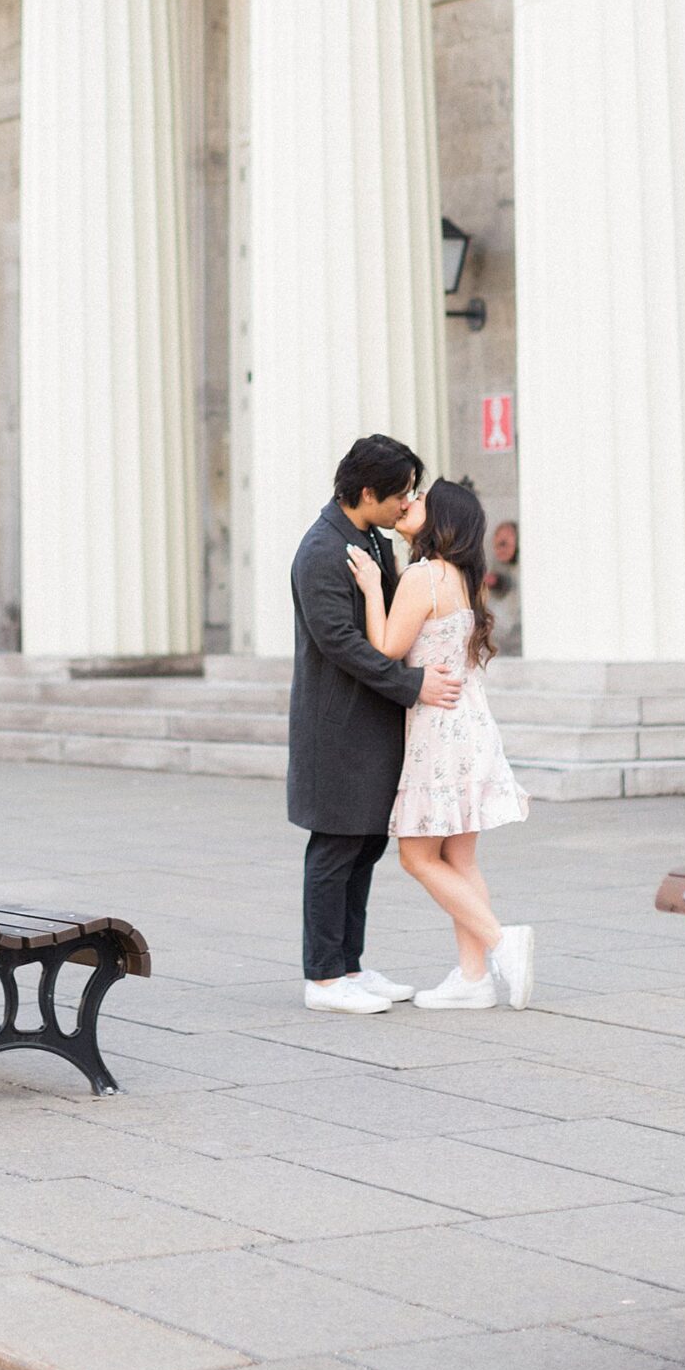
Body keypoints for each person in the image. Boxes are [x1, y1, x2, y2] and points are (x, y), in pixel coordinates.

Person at [288, 435, 462, 1016]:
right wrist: (412, 686)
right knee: (335, 848)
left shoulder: (367, 538)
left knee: (363, 848)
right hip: (336, 728)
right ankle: (322, 978)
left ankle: (349, 967)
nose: (406, 503)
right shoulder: (320, 551)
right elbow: (339, 642)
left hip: (370, 723)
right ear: (367, 492)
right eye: (401, 494)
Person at [350, 477, 533, 1010]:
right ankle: (473, 979)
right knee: (459, 858)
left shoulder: (422, 576)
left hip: (440, 731)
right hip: (470, 726)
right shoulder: (462, 576)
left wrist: (368, 590)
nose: (409, 504)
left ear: (439, 521)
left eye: (421, 501)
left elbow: (386, 648)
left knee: (416, 855)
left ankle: (501, 941)